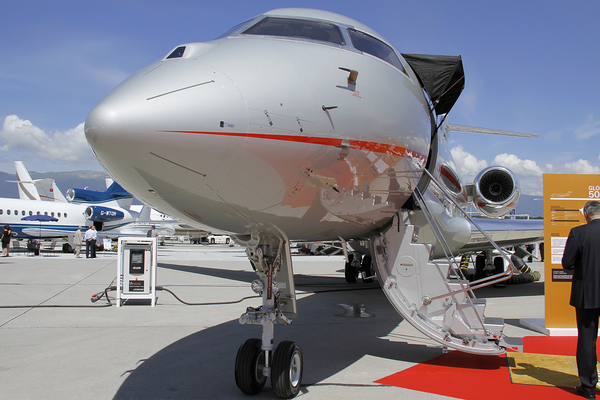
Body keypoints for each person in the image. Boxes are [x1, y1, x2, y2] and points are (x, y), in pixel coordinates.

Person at [562, 200, 600, 399]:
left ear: (586, 213)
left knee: (587, 340)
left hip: (587, 294)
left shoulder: (579, 232)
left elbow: (567, 262)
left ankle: (589, 387)